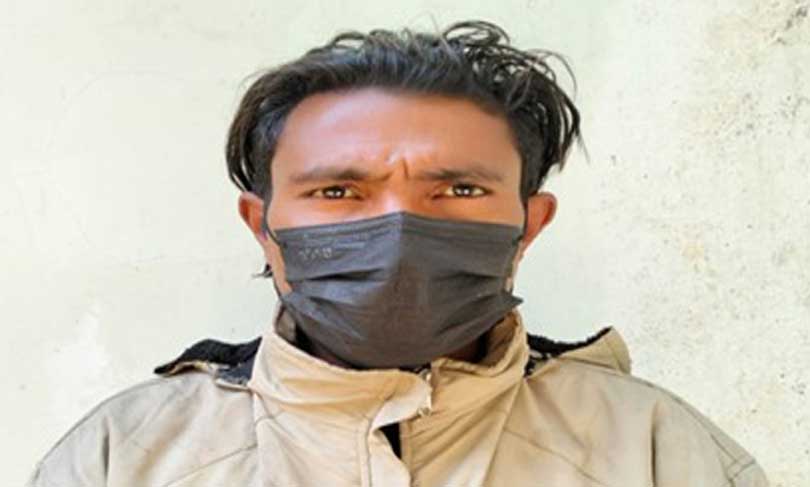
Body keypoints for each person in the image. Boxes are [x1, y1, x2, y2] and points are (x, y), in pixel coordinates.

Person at [27, 19, 768, 487]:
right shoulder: (125, 457)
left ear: (529, 224)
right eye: (338, 192)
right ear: (262, 225)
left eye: (460, 189)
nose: (399, 230)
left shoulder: (655, 452)